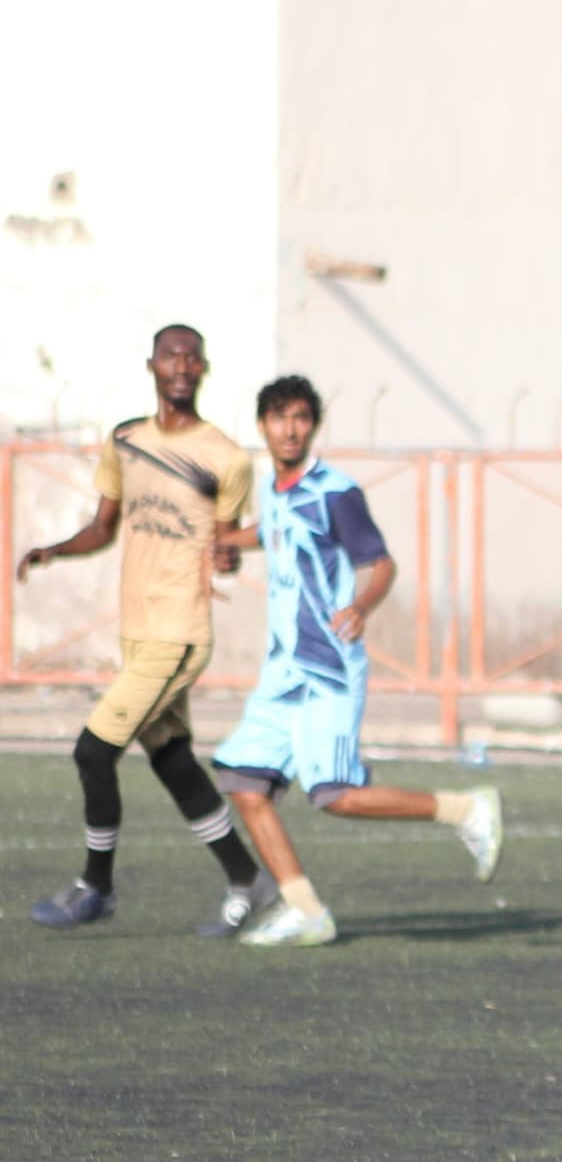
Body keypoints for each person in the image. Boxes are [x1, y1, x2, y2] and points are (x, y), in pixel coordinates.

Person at [210, 376, 502, 947]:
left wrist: (361, 605)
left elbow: (381, 562)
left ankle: (465, 809)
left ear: (313, 426)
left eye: (300, 418)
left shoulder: (336, 492)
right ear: (262, 425)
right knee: (244, 783)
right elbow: (275, 529)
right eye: (279, 417)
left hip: (327, 670)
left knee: (335, 795)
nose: (290, 429)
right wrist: (231, 544)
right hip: (283, 672)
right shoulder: (273, 489)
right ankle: (305, 911)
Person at [15, 325, 271, 932]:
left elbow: (227, 542)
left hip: (179, 631)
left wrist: (228, 558)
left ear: (203, 368)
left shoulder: (226, 458)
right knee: (172, 759)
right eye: (170, 355)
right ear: (152, 365)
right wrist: (55, 549)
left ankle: (95, 887)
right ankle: (248, 879)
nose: (181, 364)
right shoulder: (126, 440)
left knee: (93, 751)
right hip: (138, 629)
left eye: (191, 356)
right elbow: (103, 528)